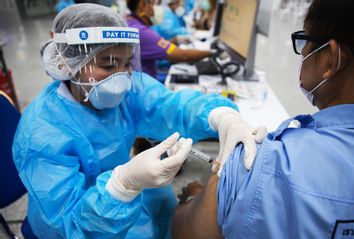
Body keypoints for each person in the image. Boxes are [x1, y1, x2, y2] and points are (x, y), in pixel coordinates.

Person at [12, 3, 266, 239]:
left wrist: (221, 116)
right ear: (69, 62)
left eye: (126, 63)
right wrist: (123, 185)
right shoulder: (41, 133)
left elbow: (172, 106)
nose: (121, 76)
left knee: (164, 209)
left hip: (117, 198)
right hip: (74, 222)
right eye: (108, 65)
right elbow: (70, 225)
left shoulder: (127, 93)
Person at [172, 0, 354, 238]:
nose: (304, 52)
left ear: (330, 58)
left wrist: (192, 195)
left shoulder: (258, 163)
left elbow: (187, 232)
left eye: (305, 41)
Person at [126, 0, 218, 78]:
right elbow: (183, 55)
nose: (159, 8)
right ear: (143, 5)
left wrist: (175, 40)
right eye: (156, 4)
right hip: (144, 90)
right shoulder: (141, 31)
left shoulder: (131, 23)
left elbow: (152, 46)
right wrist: (211, 52)